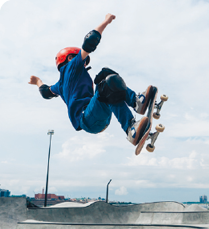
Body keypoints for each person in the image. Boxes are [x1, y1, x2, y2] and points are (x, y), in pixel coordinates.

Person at [29, 14, 153, 146]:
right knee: (107, 84)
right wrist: (106, 21)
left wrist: (37, 81)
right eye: (83, 62)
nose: (84, 65)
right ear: (70, 58)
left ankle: (134, 111)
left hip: (95, 116)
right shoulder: (72, 66)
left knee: (106, 77)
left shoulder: (59, 85)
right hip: (87, 118)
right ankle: (131, 121)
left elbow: (46, 93)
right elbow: (90, 41)